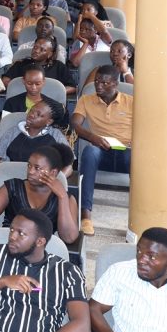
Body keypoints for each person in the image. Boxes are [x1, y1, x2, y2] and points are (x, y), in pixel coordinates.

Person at [0, 209, 89, 332]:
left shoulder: (67, 272)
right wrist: (2, 281)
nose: (12, 237)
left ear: (40, 242)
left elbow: (82, 325)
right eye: (12, 230)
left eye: (21, 234)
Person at [71, 65, 133, 236]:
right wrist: (94, 138)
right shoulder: (86, 100)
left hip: (125, 151)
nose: (98, 85)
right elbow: (75, 125)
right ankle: (86, 217)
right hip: (100, 150)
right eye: (97, 81)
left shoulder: (132, 102)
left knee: (136, 158)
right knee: (90, 152)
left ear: (115, 84)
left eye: (104, 83)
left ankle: (136, 218)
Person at [0, 145, 79, 244]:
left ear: (53, 173)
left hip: (41, 253)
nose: (30, 171)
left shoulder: (67, 199)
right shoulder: (13, 187)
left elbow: (69, 238)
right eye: (29, 165)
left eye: (37, 168)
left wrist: (62, 197)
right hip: (9, 245)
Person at [89, 226, 167, 332]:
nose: (141, 260)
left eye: (151, 256)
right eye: (139, 251)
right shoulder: (120, 272)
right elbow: (93, 310)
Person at [0, 99, 68, 168]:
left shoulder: (56, 136)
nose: (31, 115)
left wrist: (52, 180)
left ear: (49, 121)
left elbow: (68, 166)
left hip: (42, 182)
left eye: (38, 114)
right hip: (12, 179)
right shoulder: (14, 131)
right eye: (31, 110)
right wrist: (5, 175)